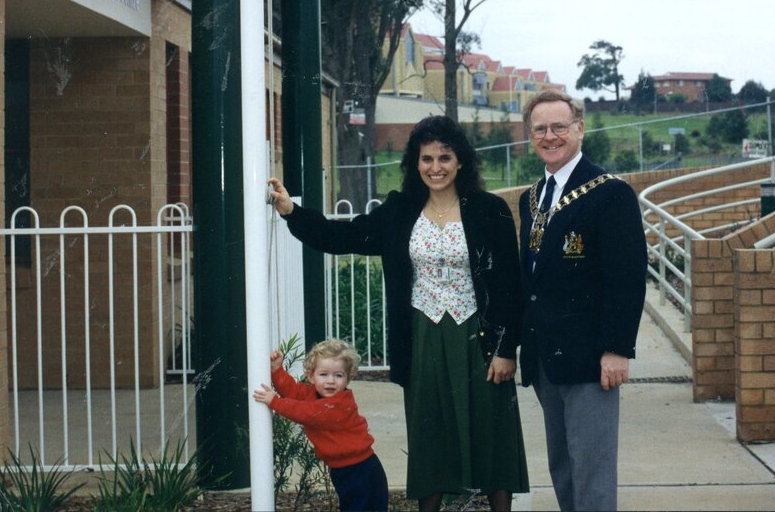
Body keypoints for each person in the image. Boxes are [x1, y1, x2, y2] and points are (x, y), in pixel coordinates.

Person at [267, 115, 528, 512]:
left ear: (461, 161)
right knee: (429, 431)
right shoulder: (401, 210)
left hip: (479, 335)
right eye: (426, 159)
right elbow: (343, 236)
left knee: (490, 427)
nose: (435, 167)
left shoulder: (489, 210)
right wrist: (291, 211)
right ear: (415, 163)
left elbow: (510, 284)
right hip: (421, 335)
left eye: (444, 157)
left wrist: (506, 349)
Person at [517, 90, 647, 511]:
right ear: (530, 135)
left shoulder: (611, 194)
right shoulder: (533, 197)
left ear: (579, 129)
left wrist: (616, 349)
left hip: (592, 358)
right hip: (545, 358)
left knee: (592, 472)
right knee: (563, 468)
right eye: (540, 128)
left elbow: (626, 279)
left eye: (559, 127)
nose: (549, 136)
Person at [253, 338, 389, 512]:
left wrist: (275, 402)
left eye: (338, 375)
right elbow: (293, 392)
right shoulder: (313, 394)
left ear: (347, 379)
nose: (330, 381)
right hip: (343, 470)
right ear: (311, 376)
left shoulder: (340, 405)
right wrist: (277, 371)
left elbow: (306, 412)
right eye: (323, 374)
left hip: (362, 470)